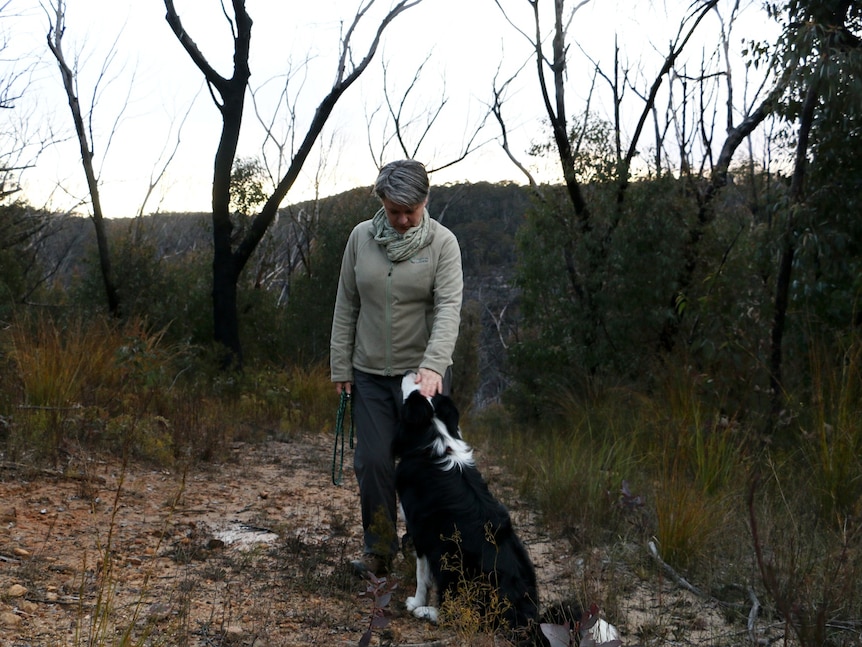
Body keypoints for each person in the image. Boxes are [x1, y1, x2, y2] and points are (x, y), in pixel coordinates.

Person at [330, 159, 463, 577]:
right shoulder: (360, 238)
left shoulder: (443, 244)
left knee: (425, 466)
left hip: (421, 379)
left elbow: (448, 309)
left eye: (411, 211)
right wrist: (341, 365)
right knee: (372, 462)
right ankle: (380, 550)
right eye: (394, 211)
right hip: (368, 373)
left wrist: (433, 366)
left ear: (425, 201)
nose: (403, 220)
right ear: (381, 203)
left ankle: (423, 547)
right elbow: (346, 303)